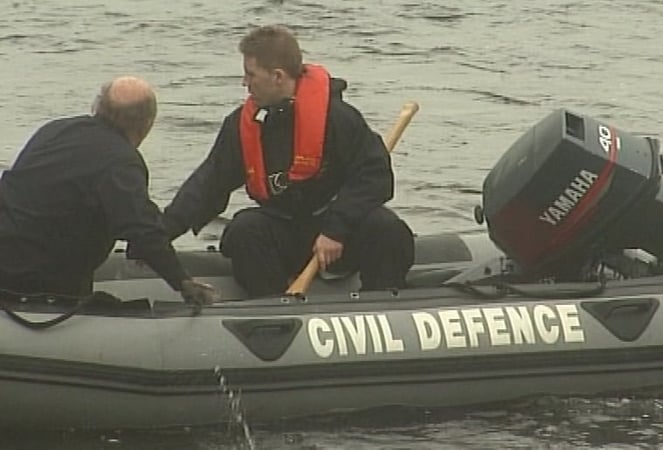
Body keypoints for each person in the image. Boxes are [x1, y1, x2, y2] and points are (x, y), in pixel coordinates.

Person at [160, 25, 415, 296]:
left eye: (251, 75)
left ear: (277, 77)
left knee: (389, 230)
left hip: (339, 230)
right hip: (284, 232)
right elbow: (208, 184)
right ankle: (273, 310)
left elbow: (375, 177)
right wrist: (161, 235)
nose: (245, 83)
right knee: (244, 231)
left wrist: (336, 230)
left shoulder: (338, 118)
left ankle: (381, 302)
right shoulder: (241, 125)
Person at [0, 76, 217, 306]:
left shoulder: (54, 131)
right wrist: (183, 282)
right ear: (147, 124)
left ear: (98, 107)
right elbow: (142, 230)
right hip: (41, 285)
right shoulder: (121, 162)